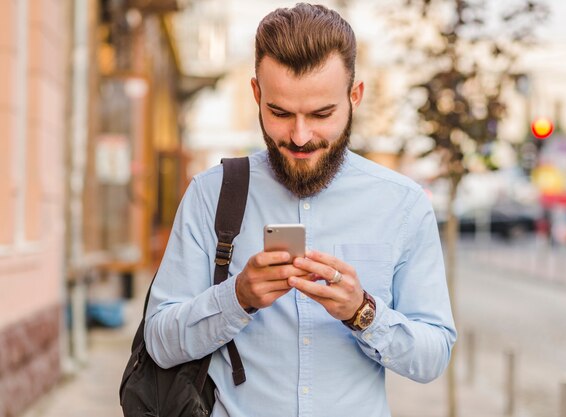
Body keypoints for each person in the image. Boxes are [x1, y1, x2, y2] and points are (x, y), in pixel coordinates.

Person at [144, 3, 456, 416]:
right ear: (256, 94)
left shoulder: (403, 203)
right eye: (279, 112)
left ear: (355, 95)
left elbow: (433, 357)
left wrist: (363, 313)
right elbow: (160, 345)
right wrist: (236, 298)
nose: (300, 135)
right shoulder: (210, 193)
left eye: (322, 114)